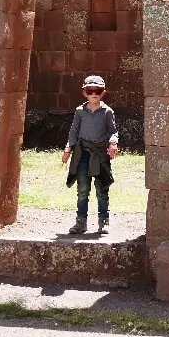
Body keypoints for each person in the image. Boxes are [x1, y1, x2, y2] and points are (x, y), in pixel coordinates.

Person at [62, 75, 119, 235]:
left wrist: (113, 143)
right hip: (83, 154)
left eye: (97, 90)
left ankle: (103, 221)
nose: (94, 93)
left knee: (102, 190)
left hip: (100, 155)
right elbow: (74, 131)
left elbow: (113, 132)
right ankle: (81, 222)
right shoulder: (80, 112)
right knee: (82, 189)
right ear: (84, 93)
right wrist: (68, 149)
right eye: (90, 90)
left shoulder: (107, 112)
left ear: (103, 92)